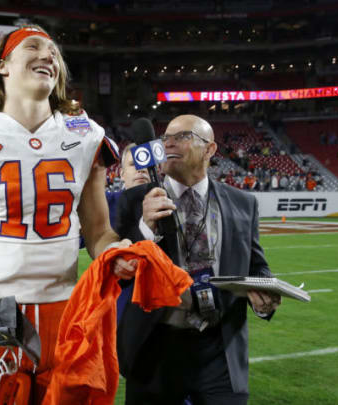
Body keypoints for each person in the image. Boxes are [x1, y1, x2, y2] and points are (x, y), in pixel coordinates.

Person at [0, 25, 135, 404]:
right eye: (34, 47)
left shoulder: (85, 134)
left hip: (68, 318)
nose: (49, 56)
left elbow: (99, 232)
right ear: (3, 66)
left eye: (54, 52)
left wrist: (118, 252)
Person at [114, 114, 281, 405]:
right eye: (165, 137)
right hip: (157, 343)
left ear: (210, 150)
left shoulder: (243, 203)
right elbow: (119, 271)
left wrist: (264, 294)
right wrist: (146, 228)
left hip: (220, 347)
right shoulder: (134, 200)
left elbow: (256, 265)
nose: (168, 143)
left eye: (182, 137)